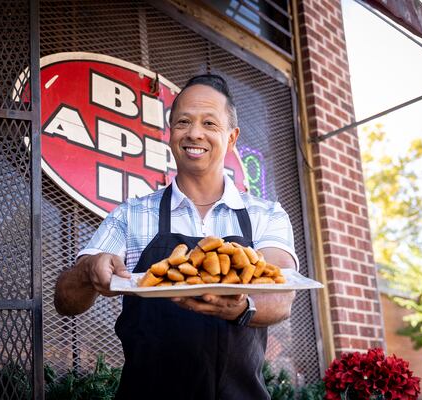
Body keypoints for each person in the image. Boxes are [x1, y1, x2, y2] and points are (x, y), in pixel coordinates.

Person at [54, 74, 298, 400]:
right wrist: (88, 272)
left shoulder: (266, 215)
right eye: (183, 122)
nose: (194, 133)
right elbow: (65, 300)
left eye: (209, 123)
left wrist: (241, 307)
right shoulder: (131, 215)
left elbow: (281, 296)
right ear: (171, 135)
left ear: (232, 137)